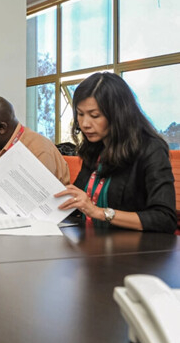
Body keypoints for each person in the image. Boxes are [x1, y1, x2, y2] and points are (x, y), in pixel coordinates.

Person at [54, 73, 177, 233]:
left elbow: (165, 219)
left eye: (95, 115)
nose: (84, 124)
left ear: (119, 114)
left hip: (135, 252)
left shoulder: (151, 150)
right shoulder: (94, 149)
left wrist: (99, 212)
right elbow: (78, 204)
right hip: (94, 247)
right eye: (80, 114)